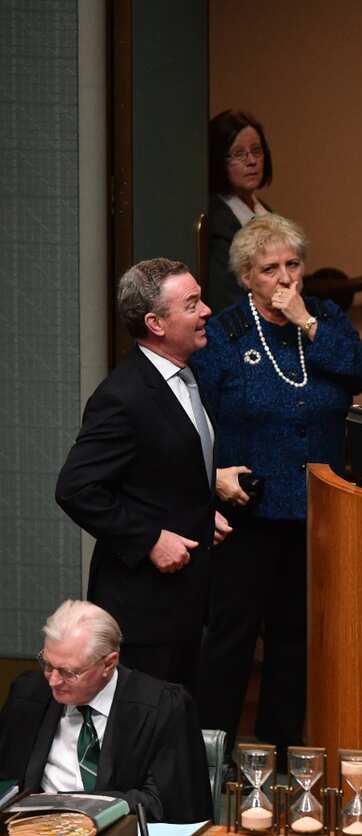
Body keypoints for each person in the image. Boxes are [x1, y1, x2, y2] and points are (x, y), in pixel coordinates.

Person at [190, 213, 362, 756]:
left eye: (293, 264)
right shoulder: (224, 335)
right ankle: (211, 759)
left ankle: (281, 755)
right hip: (247, 510)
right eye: (270, 268)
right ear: (247, 277)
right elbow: (194, 420)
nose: (285, 278)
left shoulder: (324, 317)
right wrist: (209, 483)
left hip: (318, 513)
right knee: (231, 640)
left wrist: (308, 323)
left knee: (295, 641)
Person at [56, 258, 230, 692]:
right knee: (144, 732)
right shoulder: (123, 396)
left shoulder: (189, 376)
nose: (207, 310)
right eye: (192, 304)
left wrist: (200, 511)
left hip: (188, 599)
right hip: (143, 608)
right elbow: (77, 488)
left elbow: (161, 469)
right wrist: (150, 537)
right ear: (155, 322)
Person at [0, 601, 212, 822]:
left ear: (109, 664)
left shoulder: (162, 707)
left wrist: (73, 806)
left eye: (68, 672)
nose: (53, 681)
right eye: (47, 665)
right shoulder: (28, 695)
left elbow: (166, 805)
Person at [205, 110, 275, 312]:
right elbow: (225, 302)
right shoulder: (216, 222)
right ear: (219, 160)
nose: (252, 161)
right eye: (238, 153)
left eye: (256, 150)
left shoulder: (267, 213)